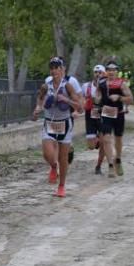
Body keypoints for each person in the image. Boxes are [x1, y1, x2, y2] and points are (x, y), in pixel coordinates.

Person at [32, 56, 84, 197]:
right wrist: (37, 109)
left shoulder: (67, 85)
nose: (54, 70)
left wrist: (66, 99)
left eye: (57, 68)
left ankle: (61, 186)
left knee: (63, 158)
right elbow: (40, 99)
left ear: (62, 70)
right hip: (49, 123)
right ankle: (53, 167)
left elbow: (79, 107)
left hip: (64, 124)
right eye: (52, 68)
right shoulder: (46, 85)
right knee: (47, 153)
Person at [95, 61, 134, 177]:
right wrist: (97, 99)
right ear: (106, 71)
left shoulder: (122, 84)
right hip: (106, 113)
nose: (111, 72)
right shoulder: (101, 83)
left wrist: (119, 97)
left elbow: (130, 98)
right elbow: (97, 95)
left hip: (119, 114)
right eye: (109, 70)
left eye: (114, 70)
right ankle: (110, 165)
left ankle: (118, 159)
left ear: (117, 71)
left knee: (118, 139)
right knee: (106, 139)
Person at [82, 64, 107, 174]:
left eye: (100, 72)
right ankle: (96, 138)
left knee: (104, 143)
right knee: (91, 146)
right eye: (96, 72)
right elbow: (81, 99)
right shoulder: (86, 86)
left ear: (104, 74)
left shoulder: (107, 86)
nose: (98, 75)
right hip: (90, 116)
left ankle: (98, 166)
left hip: (103, 116)